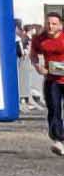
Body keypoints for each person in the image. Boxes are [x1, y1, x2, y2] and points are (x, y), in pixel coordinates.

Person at [31, 14, 64, 154]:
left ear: (61, 26)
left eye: (54, 24)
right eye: (48, 23)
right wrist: (38, 67)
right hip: (52, 80)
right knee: (54, 109)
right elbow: (33, 55)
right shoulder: (40, 39)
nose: (50, 26)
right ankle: (59, 140)